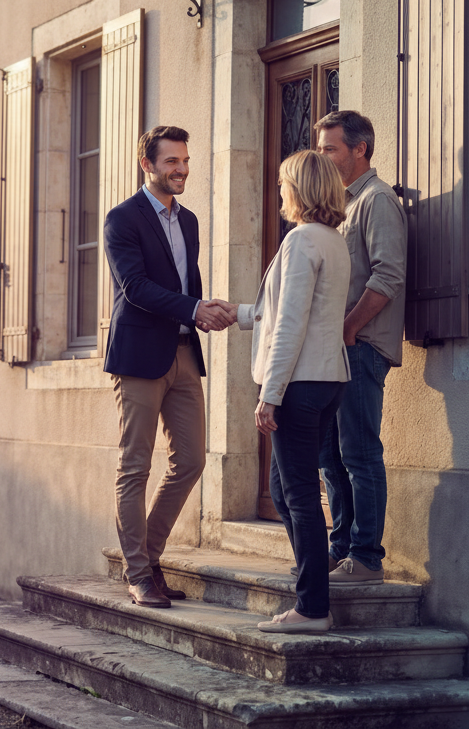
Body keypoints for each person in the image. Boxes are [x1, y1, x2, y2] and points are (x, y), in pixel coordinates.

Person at [103, 125, 237, 608]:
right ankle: (139, 575)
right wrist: (191, 308)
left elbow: (184, 283)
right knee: (134, 466)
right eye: (170, 162)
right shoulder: (122, 219)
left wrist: (202, 309)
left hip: (183, 354)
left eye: (184, 160)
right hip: (139, 358)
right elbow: (134, 287)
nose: (181, 169)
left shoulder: (191, 221)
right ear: (148, 165)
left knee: (192, 460)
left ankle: (149, 558)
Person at [236, 150, 351, 633]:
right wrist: (238, 312)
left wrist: (270, 394)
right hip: (328, 379)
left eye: (284, 183)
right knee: (286, 491)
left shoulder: (302, 241)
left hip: (300, 383)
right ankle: (312, 585)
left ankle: (311, 609)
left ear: (300, 189)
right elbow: (283, 312)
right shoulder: (332, 241)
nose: (279, 192)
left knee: (299, 494)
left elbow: (291, 324)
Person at [313, 110, 407, 586]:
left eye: (330, 149)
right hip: (335, 350)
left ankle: (368, 558)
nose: (323, 157)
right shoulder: (341, 204)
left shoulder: (376, 200)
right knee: (329, 454)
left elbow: (388, 276)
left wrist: (349, 330)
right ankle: (341, 548)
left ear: (359, 149)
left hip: (361, 347)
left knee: (359, 454)